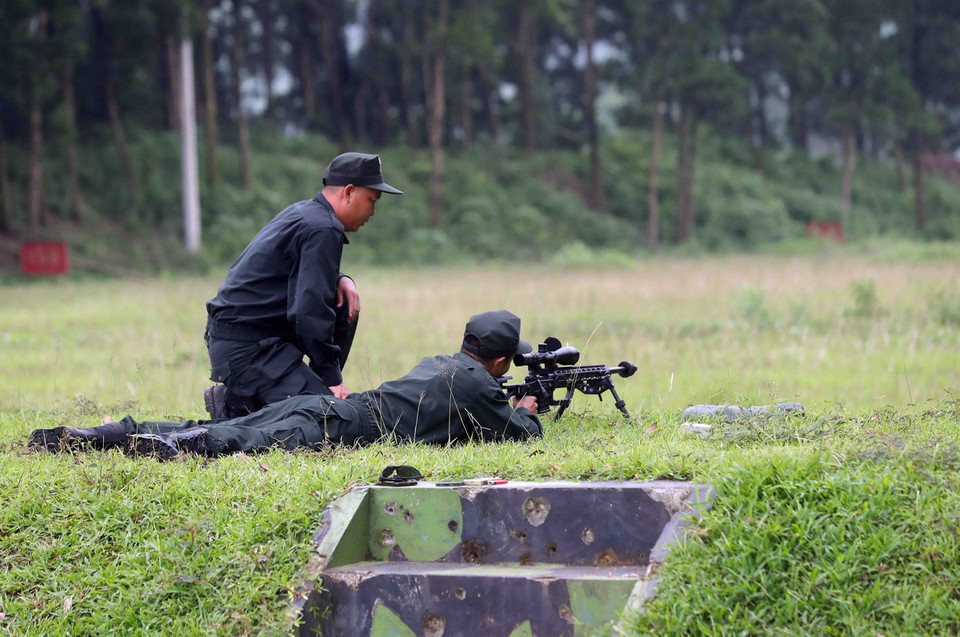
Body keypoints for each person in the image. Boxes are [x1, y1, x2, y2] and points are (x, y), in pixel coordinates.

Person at [30, 311, 542, 460]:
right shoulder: (479, 387)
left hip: (324, 406)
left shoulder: (442, 363)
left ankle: (109, 433)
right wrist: (529, 405)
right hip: (339, 426)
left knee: (226, 426)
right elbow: (520, 434)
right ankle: (164, 446)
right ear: (499, 360)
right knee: (238, 440)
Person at [203, 152, 403, 420]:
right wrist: (332, 377)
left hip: (241, 340)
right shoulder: (323, 228)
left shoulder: (306, 214)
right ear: (349, 192)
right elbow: (309, 310)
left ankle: (261, 397)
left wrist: (341, 278)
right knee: (327, 418)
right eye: (371, 201)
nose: (373, 211)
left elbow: (298, 273)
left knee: (342, 300)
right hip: (248, 348)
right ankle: (235, 404)